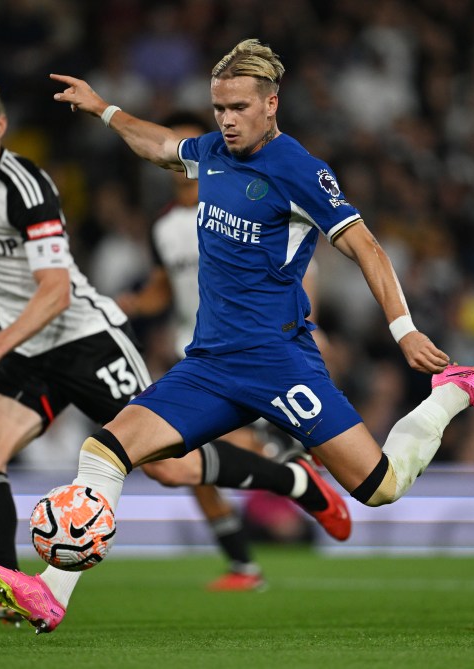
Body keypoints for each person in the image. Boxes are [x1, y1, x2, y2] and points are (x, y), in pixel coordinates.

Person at [0, 40, 474, 634]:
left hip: (279, 363)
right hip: (210, 364)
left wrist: (405, 331)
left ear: (271, 103)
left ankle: (452, 392)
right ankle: (49, 594)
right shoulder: (212, 152)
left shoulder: (300, 169)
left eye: (238, 107)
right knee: (104, 451)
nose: (226, 120)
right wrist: (104, 109)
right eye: (219, 108)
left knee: (380, 487)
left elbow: (366, 246)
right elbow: (159, 145)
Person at [0, 76, 351, 624]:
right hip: (24, 344)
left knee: (170, 469)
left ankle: (296, 480)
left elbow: (55, 290)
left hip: (84, 340)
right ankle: (6, 585)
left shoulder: (26, 185)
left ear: (0, 127)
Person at [119, 110, 322, 589]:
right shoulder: (164, 225)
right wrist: (123, 303)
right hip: (195, 354)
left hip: (250, 347)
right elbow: (162, 289)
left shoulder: (235, 201)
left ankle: (286, 463)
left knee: (198, 453)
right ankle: (244, 562)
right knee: (177, 461)